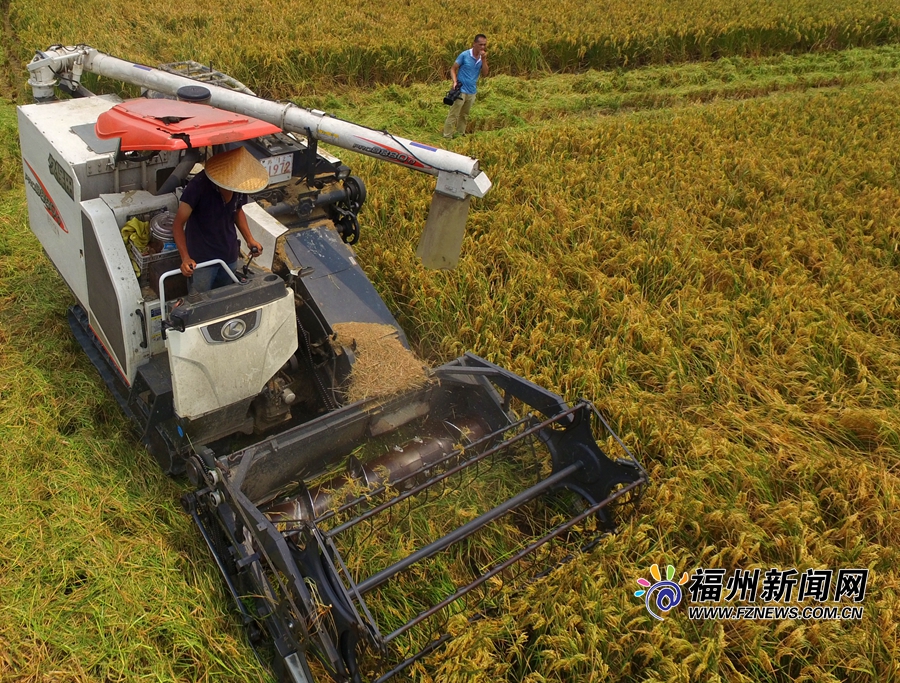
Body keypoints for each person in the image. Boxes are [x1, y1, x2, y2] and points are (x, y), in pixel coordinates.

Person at [171, 146, 267, 293]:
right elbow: (178, 224)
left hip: (229, 254)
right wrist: (185, 258)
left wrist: (250, 239)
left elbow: (237, 210)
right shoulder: (198, 186)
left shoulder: (239, 186)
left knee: (225, 296)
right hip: (202, 260)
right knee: (200, 302)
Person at [443, 34, 488, 139]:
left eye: (484, 45)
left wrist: (484, 60)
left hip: (472, 91)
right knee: (454, 114)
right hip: (460, 90)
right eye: (480, 44)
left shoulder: (482, 58)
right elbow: (453, 69)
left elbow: (485, 73)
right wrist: (454, 82)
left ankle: (460, 134)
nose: (482, 47)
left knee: (464, 115)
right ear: (474, 44)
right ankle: (447, 136)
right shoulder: (464, 55)